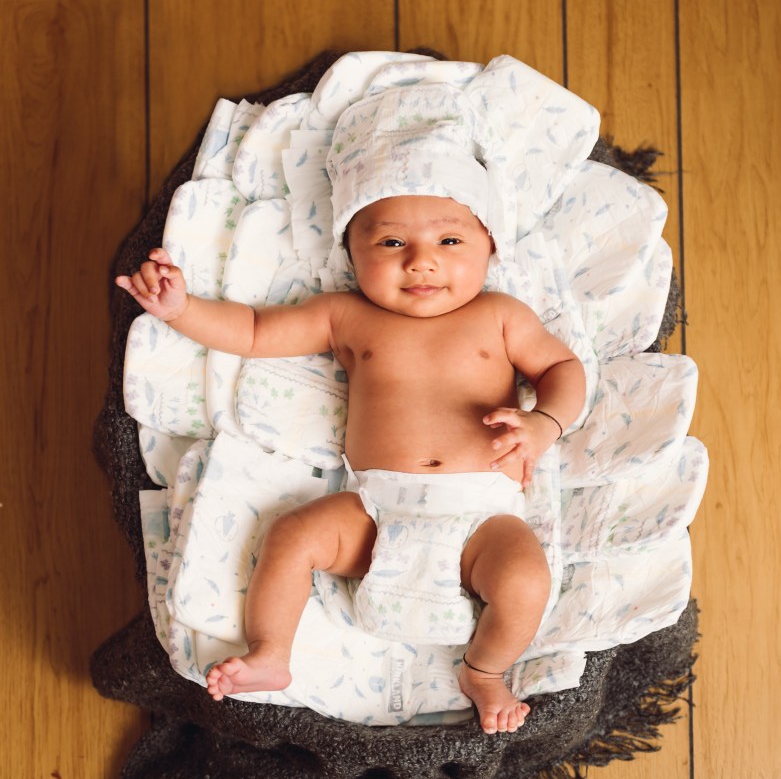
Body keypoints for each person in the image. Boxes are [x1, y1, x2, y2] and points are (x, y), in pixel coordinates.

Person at [116, 91, 586, 734]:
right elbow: (253, 331)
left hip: (482, 516)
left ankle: (485, 671)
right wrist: (183, 310)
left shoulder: (501, 315)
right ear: (352, 252)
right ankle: (271, 652)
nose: (421, 260)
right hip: (375, 512)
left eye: (450, 239)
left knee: (526, 580)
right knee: (292, 536)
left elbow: (563, 370)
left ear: (489, 246)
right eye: (391, 241)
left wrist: (544, 423)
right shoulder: (348, 316)